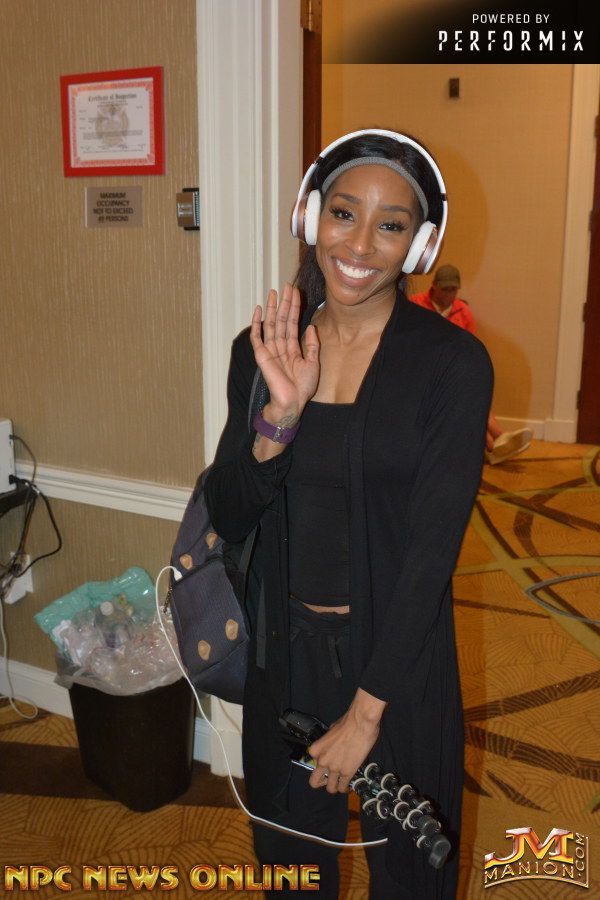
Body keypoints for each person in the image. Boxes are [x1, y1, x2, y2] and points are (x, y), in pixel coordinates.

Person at [204, 130, 493, 899]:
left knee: (410, 871)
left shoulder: (452, 366)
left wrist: (366, 715)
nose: (359, 244)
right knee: (292, 865)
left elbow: (431, 556)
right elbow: (228, 513)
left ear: (419, 244)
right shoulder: (261, 350)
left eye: (390, 224)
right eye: (342, 213)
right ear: (310, 216)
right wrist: (279, 419)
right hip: (284, 660)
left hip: (395, 664)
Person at [410, 265, 532, 465]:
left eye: (453, 290)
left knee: (472, 394)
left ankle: (496, 441)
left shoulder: (463, 311)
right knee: (463, 397)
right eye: (445, 289)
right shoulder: (416, 304)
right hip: (422, 371)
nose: (449, 294)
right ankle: (496, 442)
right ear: (434, 286)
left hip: (451, 370)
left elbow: (470, 347)